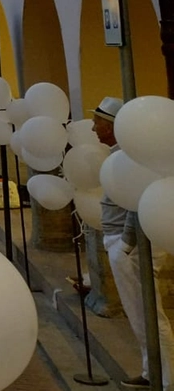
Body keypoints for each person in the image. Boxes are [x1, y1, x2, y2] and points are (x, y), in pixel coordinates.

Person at [96, 96, 173, 388]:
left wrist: (125, 245)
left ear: (112, 127)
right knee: (141, 316)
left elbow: (136, 202)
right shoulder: (123, 154)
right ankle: (151, 371)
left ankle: (166, 380)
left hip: (131, 245)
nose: (92, 129)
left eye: (97, 123)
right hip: (125, 244)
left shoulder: (131, 158)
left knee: (149, 315)